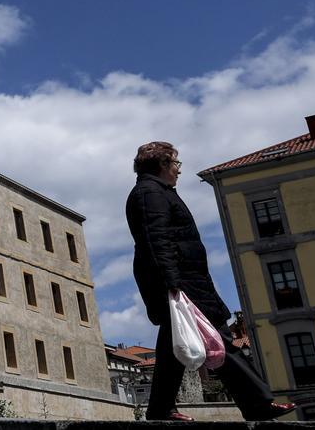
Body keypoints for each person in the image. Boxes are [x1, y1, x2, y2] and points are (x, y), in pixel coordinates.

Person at [126, 141, 295, 421]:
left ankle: (160, 410)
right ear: (162, 165)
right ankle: (256, 404)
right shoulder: (149, 194)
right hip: (181, 283)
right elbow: (156, 240)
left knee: (177, 346)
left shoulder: (156, 192)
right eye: (175, 164)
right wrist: (172, 283)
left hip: (184, 281)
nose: (179, 170)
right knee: (219, 340)